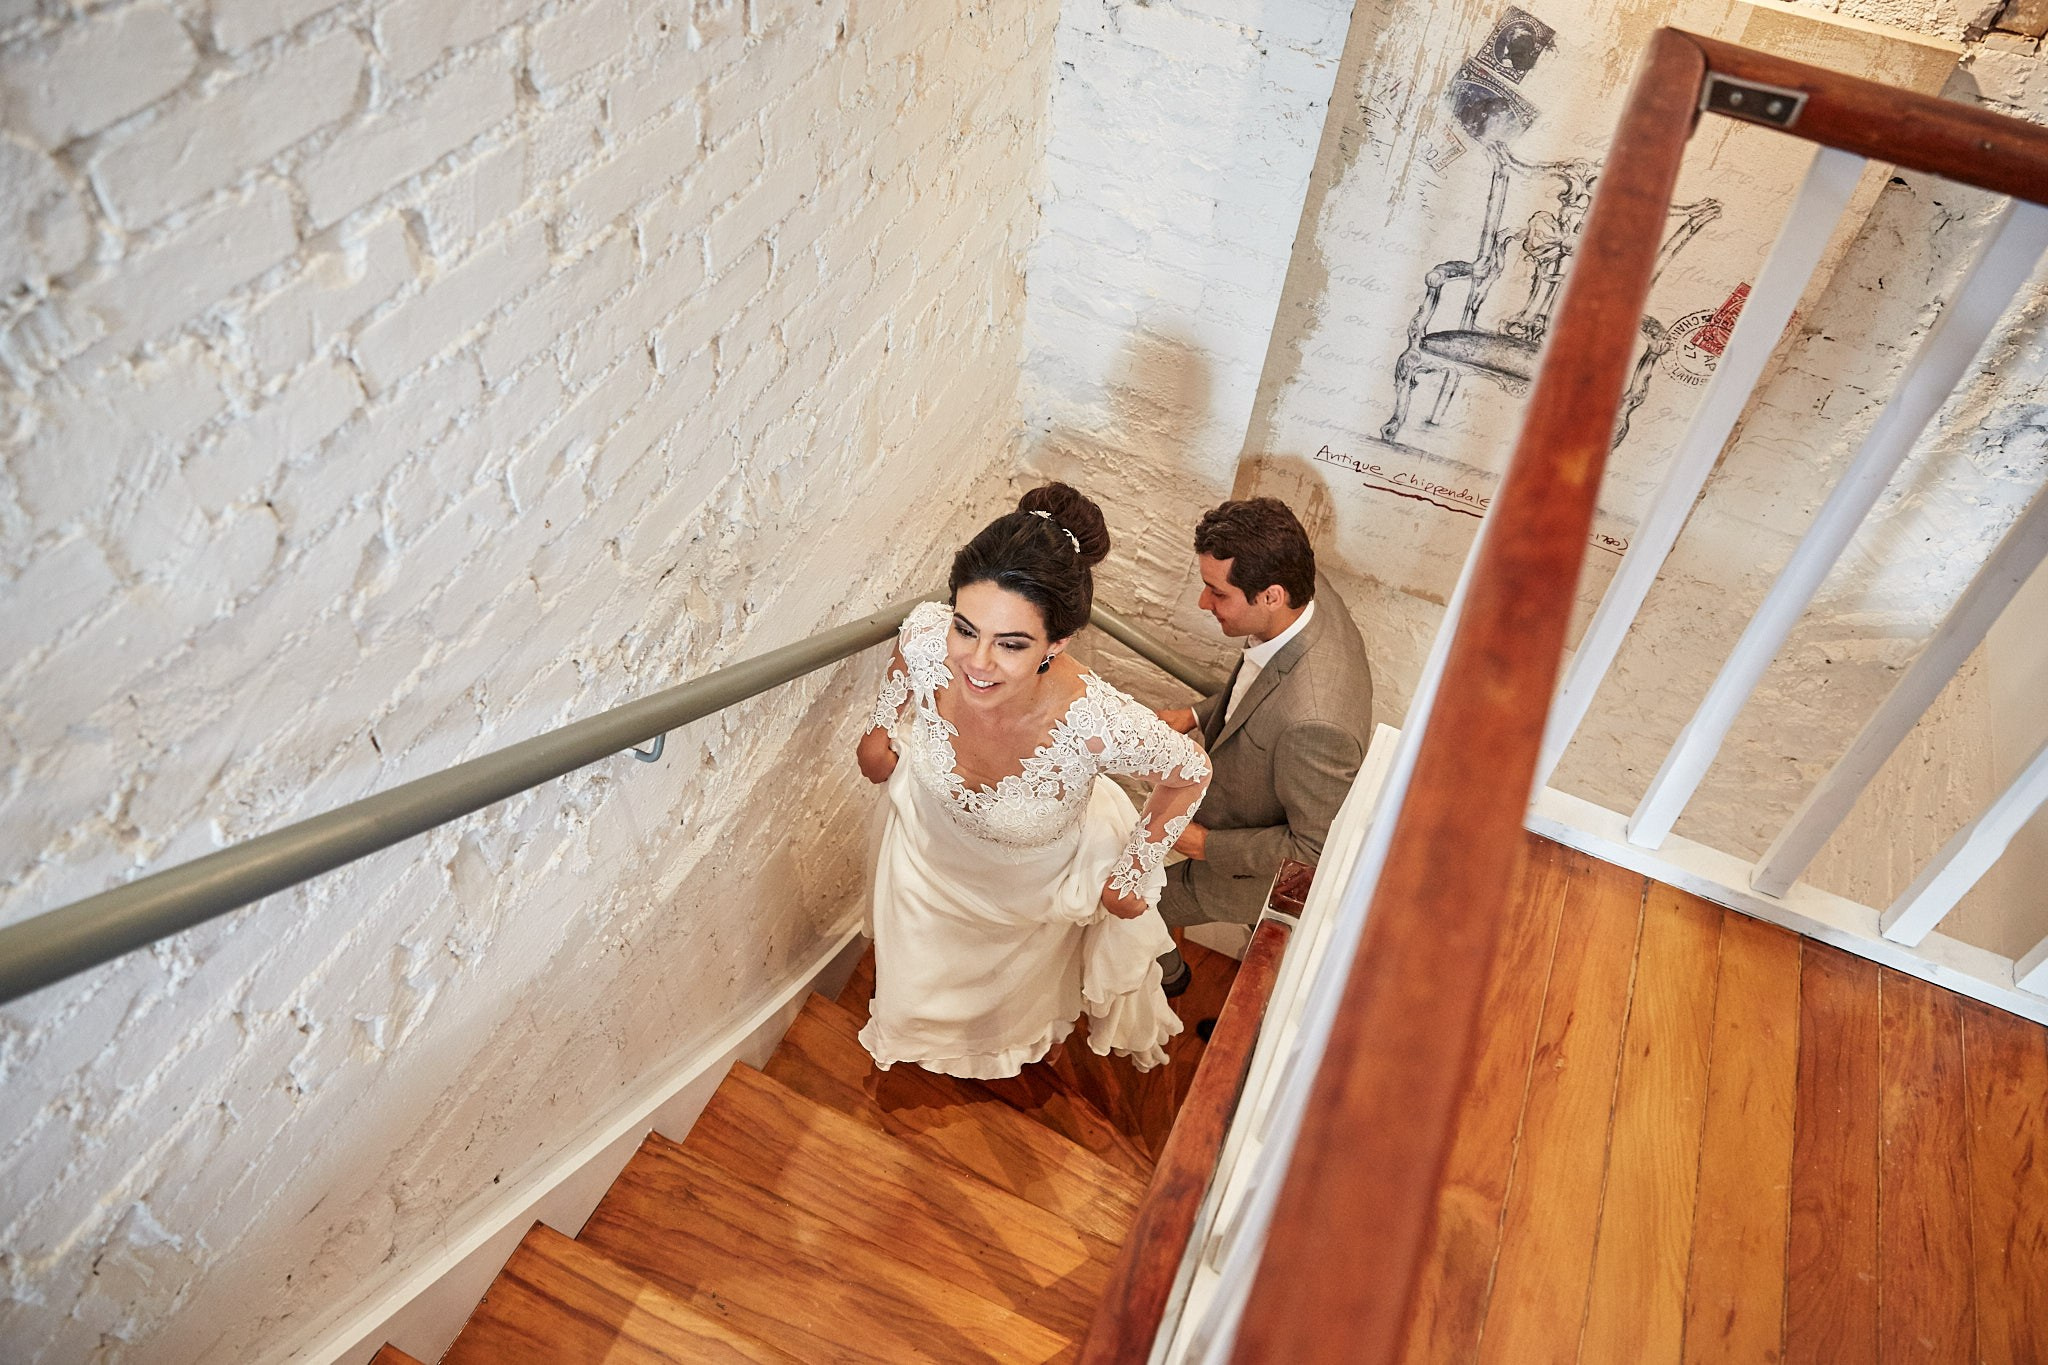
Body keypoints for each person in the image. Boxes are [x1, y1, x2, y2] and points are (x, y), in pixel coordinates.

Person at [855, 483, 1212, 1079]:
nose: (976, 661)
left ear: (1058, 642)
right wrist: (876, 730)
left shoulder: (1096, 721)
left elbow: (1189, 770)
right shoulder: (927, 635)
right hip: (924, 858)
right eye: (966, 629)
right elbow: (907, 658)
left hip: (1024, 895)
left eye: (1012, 644)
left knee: (1004, 1008)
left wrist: (1132, 873)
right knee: (915, 984)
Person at [1154, 497, 1373, 994]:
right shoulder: (1306, 600)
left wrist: (1204, 845)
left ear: (1271, 595)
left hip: (1250, 872)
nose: (1202, 603)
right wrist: (1195, 715)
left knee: (1134, 906)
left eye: (1216, 592)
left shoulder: (1315, 724)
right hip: (1240, 805)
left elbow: (1313, 851)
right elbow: (1257, 683)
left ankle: (1170, 980)